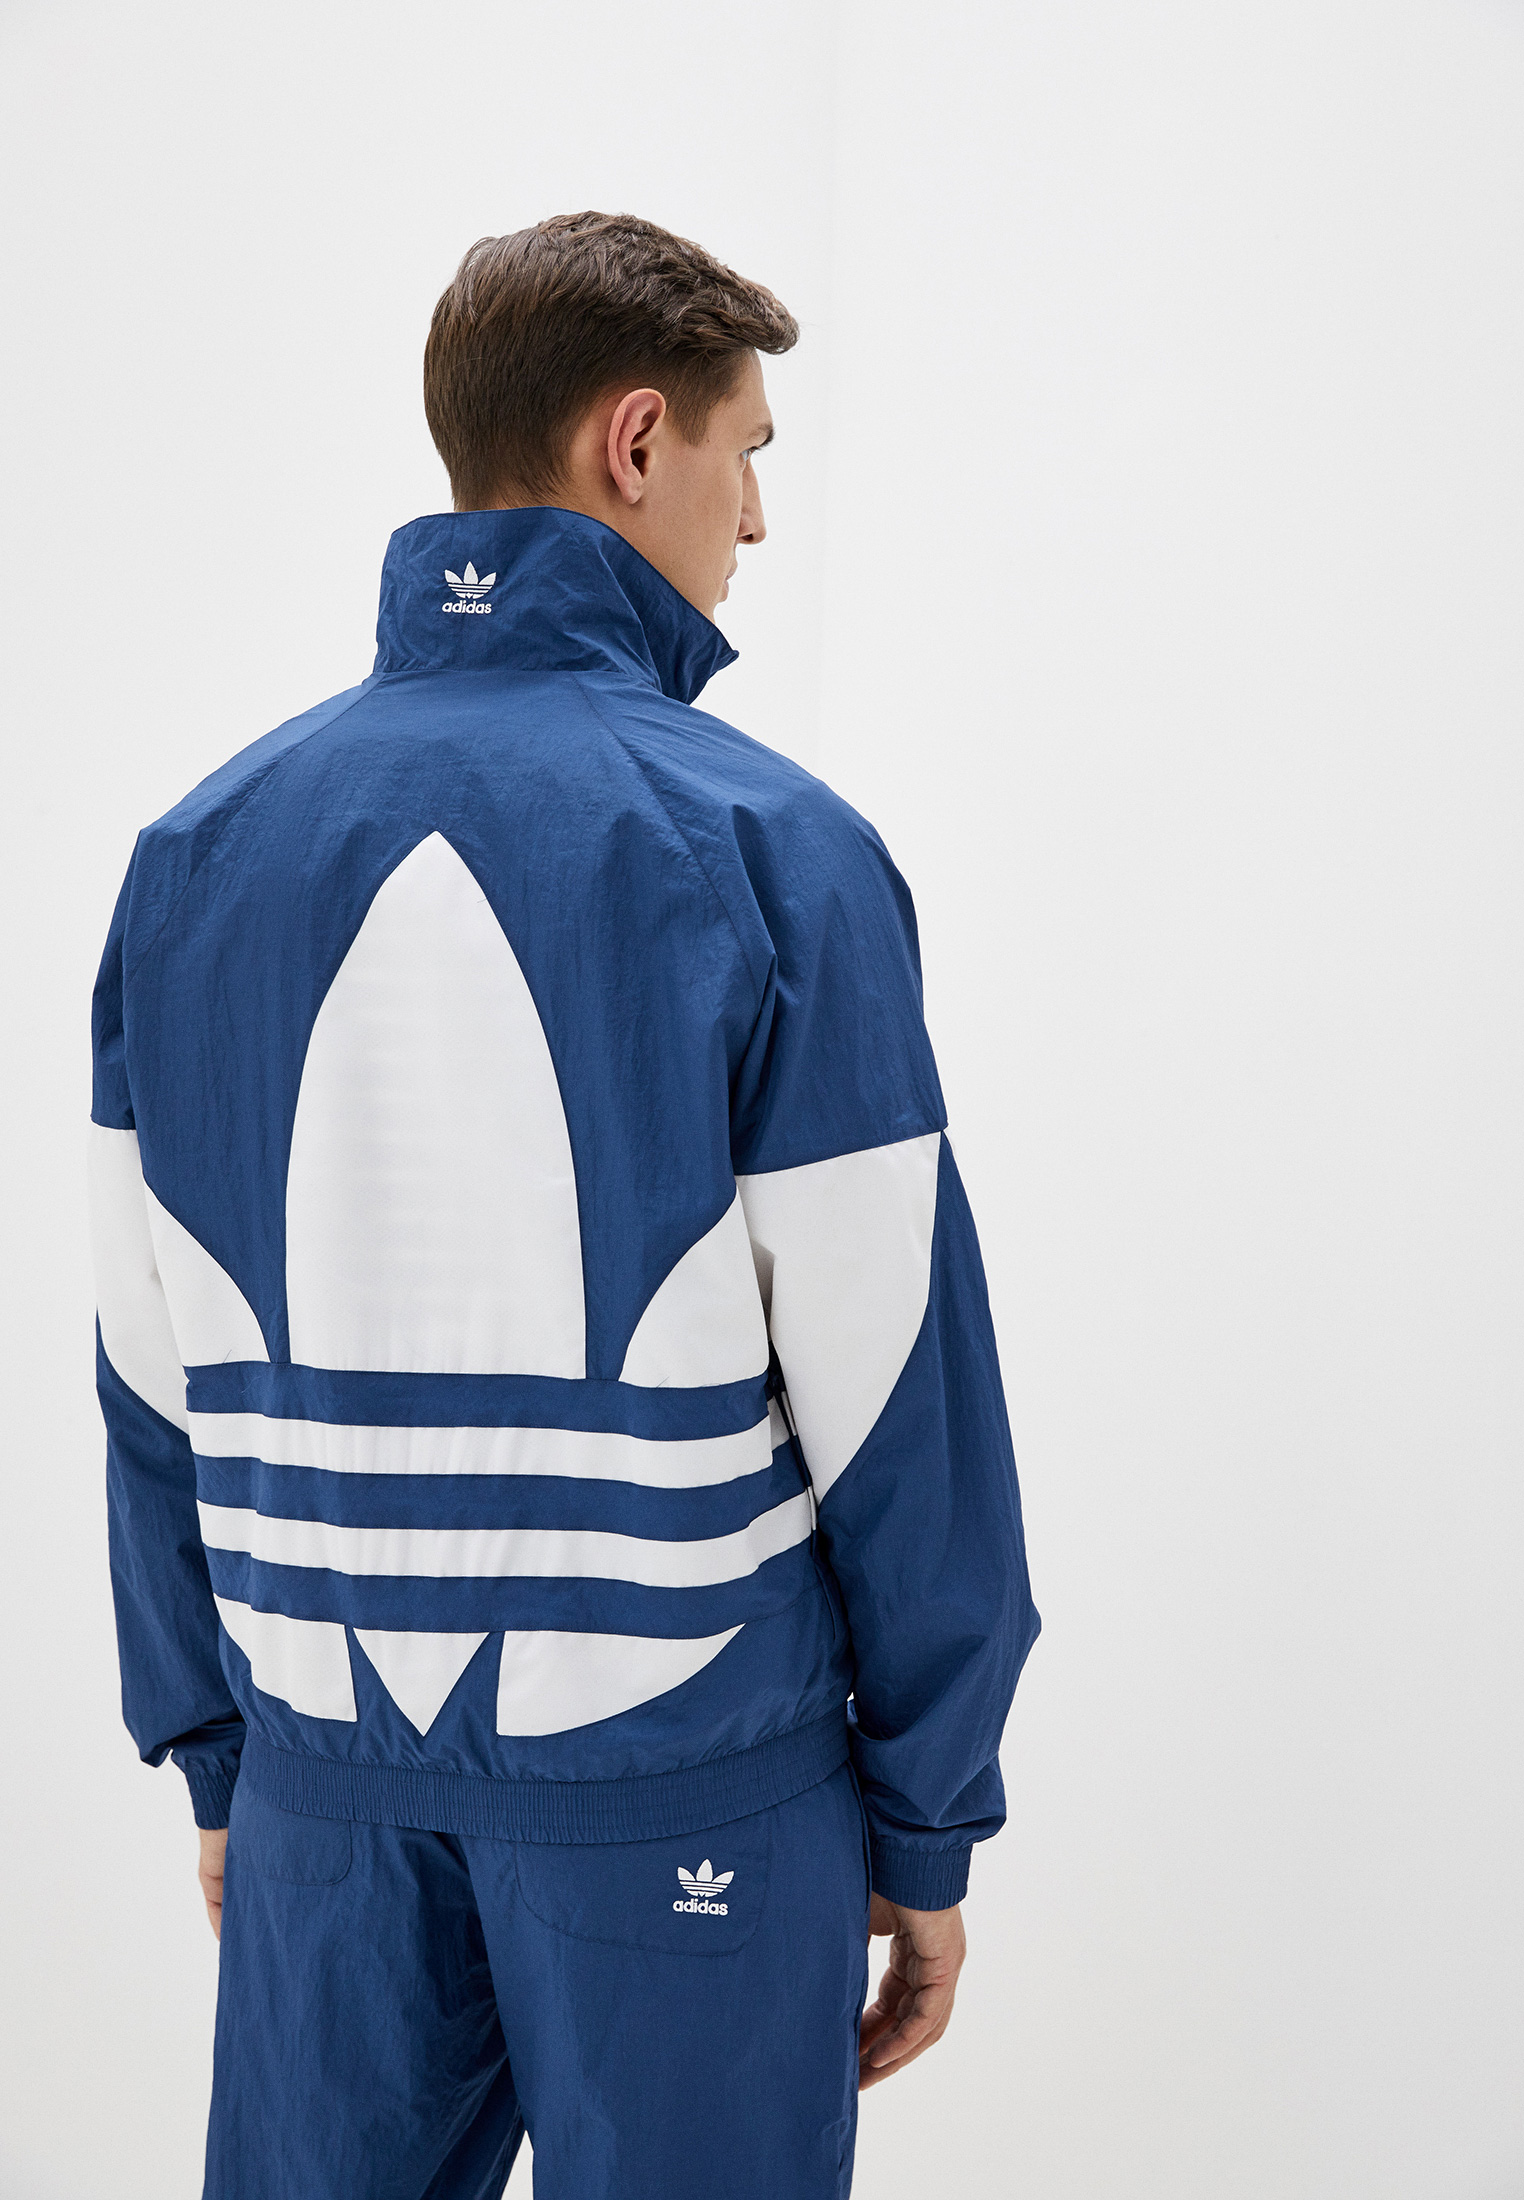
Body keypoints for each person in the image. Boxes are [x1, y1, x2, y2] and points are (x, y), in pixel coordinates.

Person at [88, 210, 1040, 2200]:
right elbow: (899, 1402)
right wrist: (928, 1821)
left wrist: (221, 1753)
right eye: (745, 450)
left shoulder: (196, 855)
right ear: (635, 440)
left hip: (320, 1778)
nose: (755, 517)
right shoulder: (775, 851)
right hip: (692, 1779)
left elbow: (144, 1359)